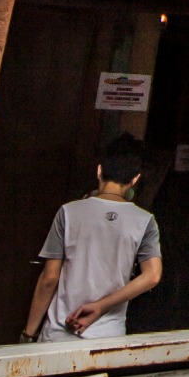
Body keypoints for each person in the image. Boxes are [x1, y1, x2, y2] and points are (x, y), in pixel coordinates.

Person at [26, 137, 162, 341]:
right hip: (107, 336)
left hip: (58, 334)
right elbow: (152, 275)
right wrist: (101, 306)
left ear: (99, 171)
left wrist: (28, 334)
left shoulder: (68, 212)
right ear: (135, 179)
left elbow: (49, 279)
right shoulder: (144, 221)